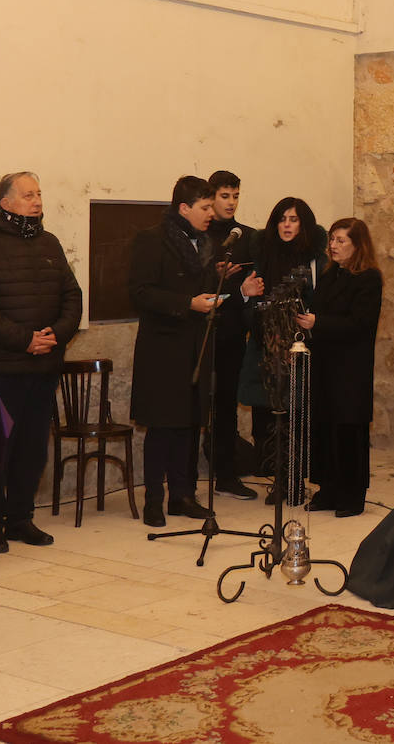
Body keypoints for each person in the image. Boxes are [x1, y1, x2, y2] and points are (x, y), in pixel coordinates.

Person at [0, 171, 82, 553]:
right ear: (5, 202)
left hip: (42, 368)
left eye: (39, 194)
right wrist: (24, 340)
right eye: (28, 195)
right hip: (1, 367)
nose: (37, 201)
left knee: (32, 448)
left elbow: (72, 295)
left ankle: (21, 518)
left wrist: (55, 335)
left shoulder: (49, 243)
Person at [128, 176, 220, 528]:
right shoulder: (152, 240)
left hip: (196, 345)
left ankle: (183, 496)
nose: (211, 213)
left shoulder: (204, 243)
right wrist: (187, 303)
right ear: (184, 208)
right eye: (205, 207)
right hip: (163, 347)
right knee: (163, 425)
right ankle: (154, 499)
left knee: (190, 424)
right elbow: (141, 292)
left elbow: (204, 288)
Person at [236, 197, 326, 496]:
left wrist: (312, 320)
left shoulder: (315, 259)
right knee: (266, 420)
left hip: (300, 349)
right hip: (266, 348)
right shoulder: (263, 256)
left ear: (304, 224)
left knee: (297, 418)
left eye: (294, 219)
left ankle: (296, 480)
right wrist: (250, 301)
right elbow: (251, 303)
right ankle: (277, 479)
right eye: (282, 219)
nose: (287, 225)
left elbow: (323, 300)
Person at [296, 218, 382, 517]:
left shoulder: (369, 278)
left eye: (341, 241)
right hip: (325, 364)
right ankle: (328, 489)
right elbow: (320, 309)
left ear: (358, 245)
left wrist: (318, 322)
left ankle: (351, 496)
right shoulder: (331, 275)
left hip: (351, 368)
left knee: (348, 430)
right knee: (323, 427)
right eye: (332, 239)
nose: (333, 246)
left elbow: (360, 323)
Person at [204, 169, 259, 500]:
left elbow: (257, 281)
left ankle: (226, 474)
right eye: (225, 196)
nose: (231, 202)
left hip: (234, 332)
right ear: (211, 198)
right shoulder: (202, 234)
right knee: (196, 406)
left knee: (225, 405)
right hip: (201, 332)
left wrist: (243, 284)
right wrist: (214, 274)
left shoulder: (247, 236)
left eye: (236, 196)